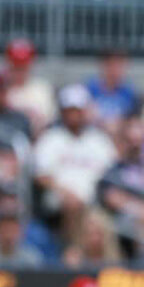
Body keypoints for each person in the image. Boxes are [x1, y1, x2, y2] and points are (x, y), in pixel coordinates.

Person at [33, 85, 117, 237]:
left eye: (77, 111)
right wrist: (65, 192)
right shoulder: (51, 138)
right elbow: (40, 176)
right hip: (59, 204)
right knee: (73, 205)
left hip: (96, 203)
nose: (73, 116)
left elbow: (113, 174)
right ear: (62, 112)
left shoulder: (99, 141)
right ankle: (72, 253)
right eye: (69, 111)